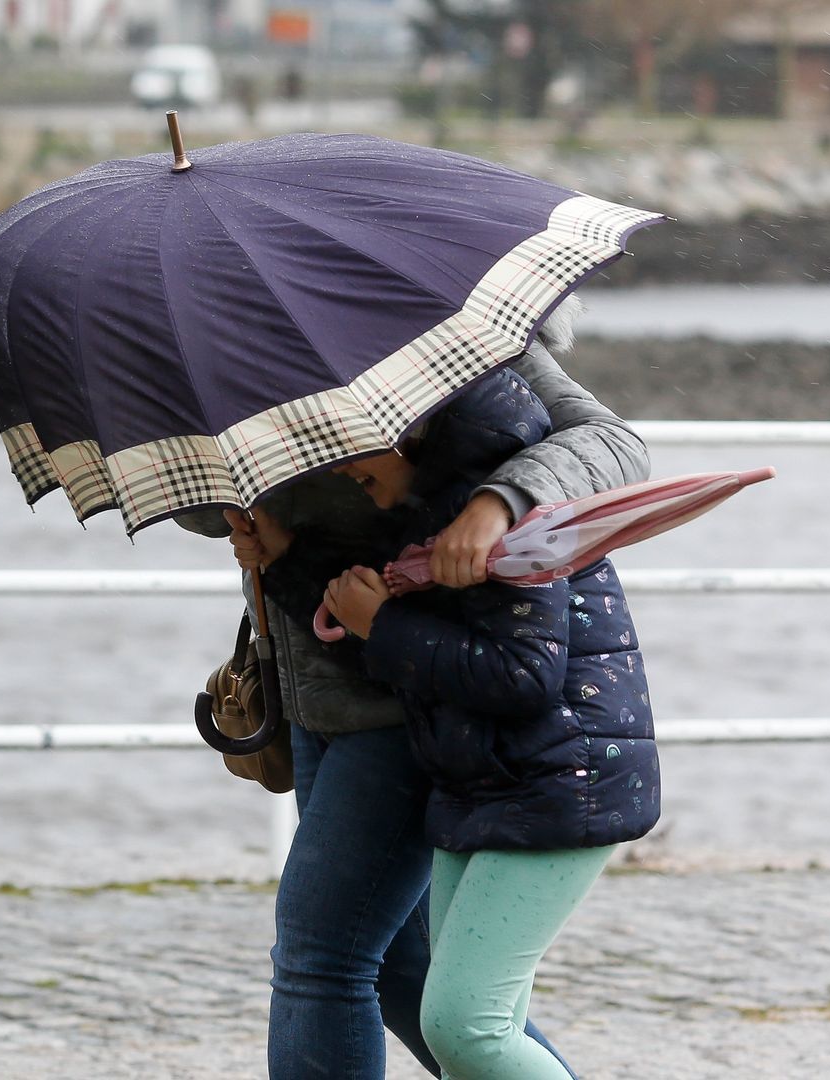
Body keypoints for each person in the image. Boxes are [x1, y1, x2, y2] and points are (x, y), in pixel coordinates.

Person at [181, 300, 649, 1079]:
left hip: (419, 686)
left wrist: (495, 503)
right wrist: (234, 483)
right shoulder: (233, 337)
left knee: (321, 955)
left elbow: (609, 445)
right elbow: (202, 509)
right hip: (314, 682)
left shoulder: (441, 323)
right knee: (405, 973)